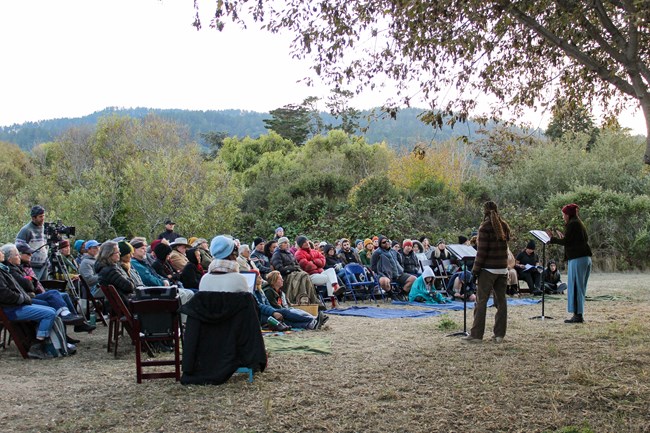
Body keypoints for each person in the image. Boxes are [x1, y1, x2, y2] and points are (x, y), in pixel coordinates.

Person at [464, 200, 511, 343]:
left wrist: (475, 270)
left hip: (488, 269)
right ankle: (499, 335)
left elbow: (481, 253)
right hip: (502, 268)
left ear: (484, 211)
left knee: (481, 302)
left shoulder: (484, 227)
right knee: (501, 302)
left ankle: (477, 335)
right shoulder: (504, 226)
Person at [0, 247, 59, 359]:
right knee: (49, 314)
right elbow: (4, 294)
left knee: (51, 310)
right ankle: (37, 346)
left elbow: (17, 287)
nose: (2, 252)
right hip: (11, 309)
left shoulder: (3, 269)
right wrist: (24, 298)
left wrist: (26, 296)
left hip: (15, 306)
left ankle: (44, 342)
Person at [547, 203, 592, 323]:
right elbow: (575, 240)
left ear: (568, 215)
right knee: (580, 287)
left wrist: (552, 239)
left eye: (564, 214)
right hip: (584, 258)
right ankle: (578, 314)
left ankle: (577, 316)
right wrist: (563, 238)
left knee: (576, 286)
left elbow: (567, 241)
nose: (563, 217)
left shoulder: (573, 224)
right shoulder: (579, 223)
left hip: (578, 258)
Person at [258, 271, 327, 329]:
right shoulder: (268, 291)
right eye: (280, 279)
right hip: (271, 312)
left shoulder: (280, 292)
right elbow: (273, 306)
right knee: (287, 313)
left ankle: (312, 322)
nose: (283, 280)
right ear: (274, 281)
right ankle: (312, 320)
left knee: (293, 312)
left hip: (274, 311)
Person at [15, 205, 49, 280]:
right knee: (35, 286)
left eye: (43, 216)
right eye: (40, 216)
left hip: (44, 264)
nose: (43, 218)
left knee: (44, 286)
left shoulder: (45, 228)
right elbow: (19, 244)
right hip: (32, 266)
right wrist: (31, 251)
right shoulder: (26, 229)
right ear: (33, 218)